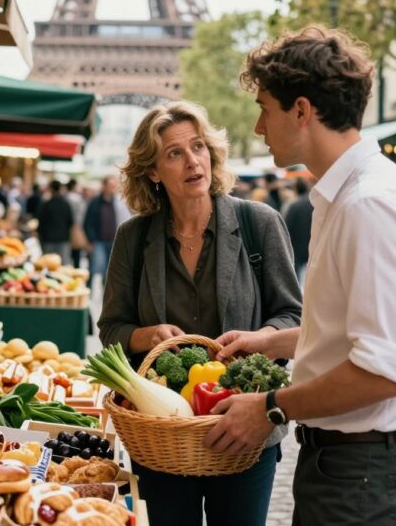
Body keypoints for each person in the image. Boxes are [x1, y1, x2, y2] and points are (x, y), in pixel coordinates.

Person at [205, 26, 396, 526]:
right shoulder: (352, 195)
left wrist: (270, 407)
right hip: (356, 469)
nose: (257, 127)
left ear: (301, 110)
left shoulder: (369, 205)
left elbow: (383, 370)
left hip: (365, 475)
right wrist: (269, 343)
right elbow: (353, 330)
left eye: (264, 109)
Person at [98, 101, 302, 526]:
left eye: (198, 147)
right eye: (174, 153)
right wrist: (145, 336)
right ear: (153, 171)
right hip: (163, 434)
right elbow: (111, 329)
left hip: (245, 431)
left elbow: (293, 319)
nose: (193, 161)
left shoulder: (258, 223)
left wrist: (259, 338)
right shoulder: (133, 238)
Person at [84, 176, 130, 289]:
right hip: (98, 241)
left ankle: (106, 292)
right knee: (95, 268)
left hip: (114, 241)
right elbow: (88, 222)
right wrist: (91, 240)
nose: (113, 188)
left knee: (110, 270)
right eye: (110, 185)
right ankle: (90, 291)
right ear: (104, 186)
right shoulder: (95, 202)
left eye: (114, 186)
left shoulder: (119, 202)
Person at [283, 177, 314, 286]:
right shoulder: (315, 203)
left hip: (297, 247)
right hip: (313, 245)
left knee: (297, 282)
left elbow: (286, 227)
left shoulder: (294, 205)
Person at [37, 180, 73, 264]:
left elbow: (41, 222)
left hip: (48, 239)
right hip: (63, 238)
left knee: (47, 264)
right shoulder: (65, 204)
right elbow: (70, 221)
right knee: (62, 264)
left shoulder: (46, 204)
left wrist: (40, 234)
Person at [65, 179, 87, 268]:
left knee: (68, 251)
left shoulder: (65, 197)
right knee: (77, 250)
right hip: (77, 226)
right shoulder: (77, 198)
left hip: (67, 227)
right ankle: (76, 267)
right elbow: (82, 212)